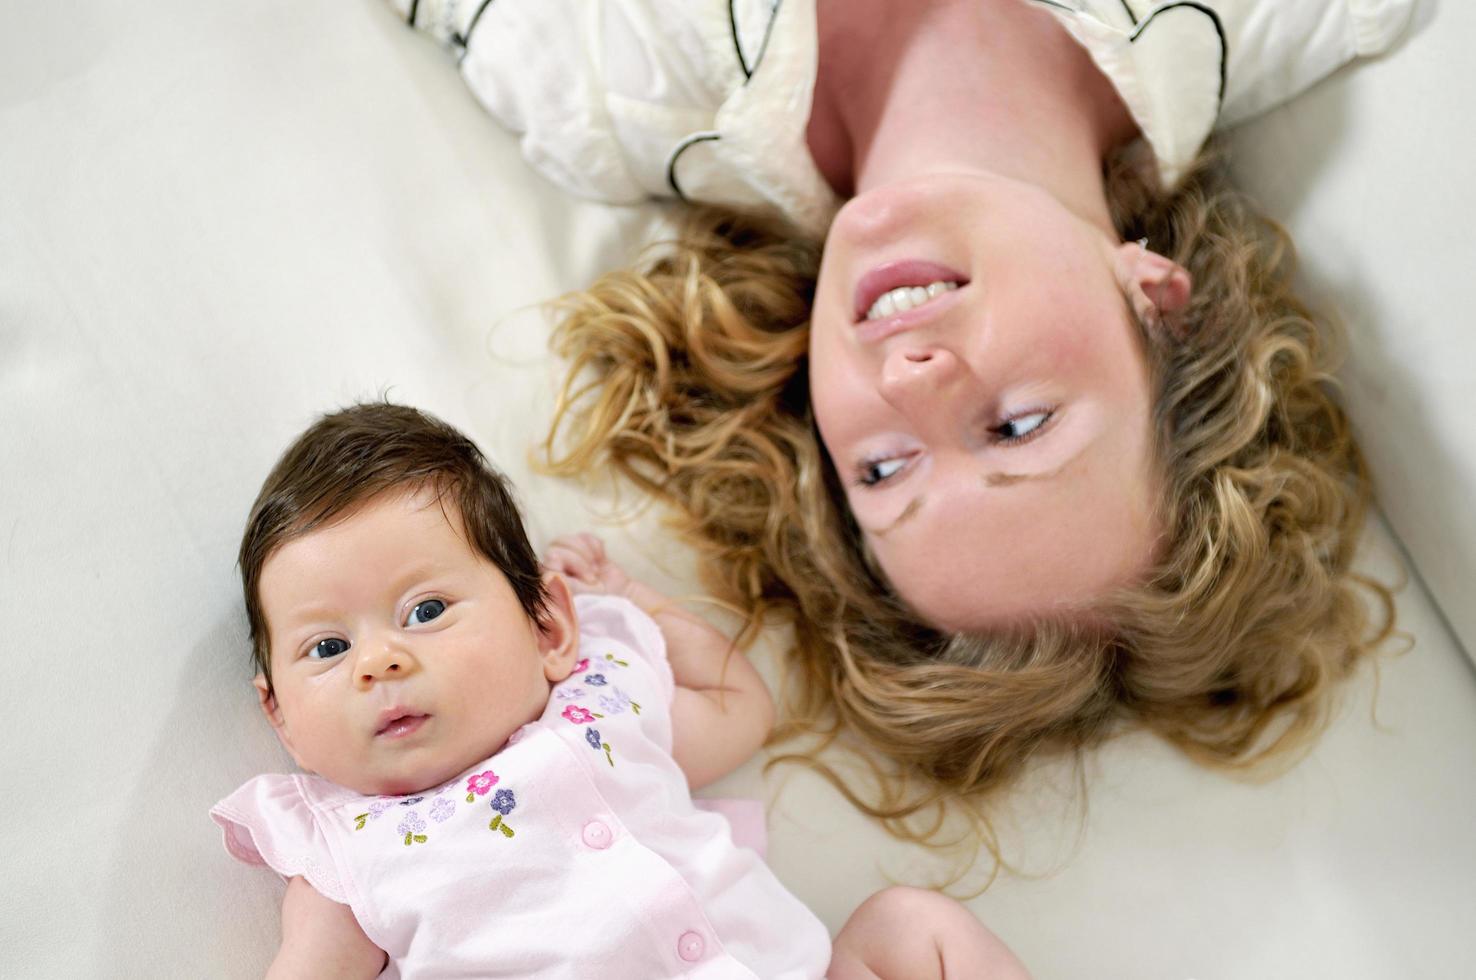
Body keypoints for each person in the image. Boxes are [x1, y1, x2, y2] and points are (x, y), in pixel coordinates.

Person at [388, 1, 1410, 822]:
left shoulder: (603, 95)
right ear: (1159, 302)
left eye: (884, 468)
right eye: (1017, 426)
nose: (913, 377)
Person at [210, 403, 1030, 978]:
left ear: (547, 628)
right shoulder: (346, 849)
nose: (377, 662)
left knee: (911, 927)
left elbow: (739, 707)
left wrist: (637, 602)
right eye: (327, 646)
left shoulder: (600, 702)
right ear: (280, 714)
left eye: (425, 610)